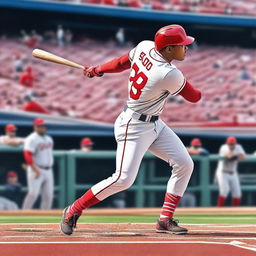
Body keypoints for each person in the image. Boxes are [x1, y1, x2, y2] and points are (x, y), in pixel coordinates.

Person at [61, 24, 201, 235]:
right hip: (133, 126)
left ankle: (165, 219)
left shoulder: (145, 46)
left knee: (184, 164)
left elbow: (120, 63)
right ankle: (74, 209)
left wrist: (98, 69)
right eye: (181, 45)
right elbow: (194, 97)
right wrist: (182, 80)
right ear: (169, 49)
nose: (186, 48)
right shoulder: (168, 73)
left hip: (154, 123)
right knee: (123, 179)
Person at [22, 118, 54, 209]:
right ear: (35, 127)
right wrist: (36, 170)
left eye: (43, 126)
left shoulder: (48, 139)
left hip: (48, 169)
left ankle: (46, 218)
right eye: (40, 126)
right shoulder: (31, 139)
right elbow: (27, 155)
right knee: (33, 194)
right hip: (36, 169)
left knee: (48, 196)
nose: (42, 128)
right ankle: (23, 214)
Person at [216, 136, 246, 207]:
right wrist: (237, 155)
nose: (231, 145)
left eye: (233, 144)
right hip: (223, 172)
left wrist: (235, 156)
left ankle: (234, 211)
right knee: (224, 191)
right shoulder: (224, 147)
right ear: (227, 144)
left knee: (237, 193)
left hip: (233, 172)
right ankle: (219, 210)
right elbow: (229, 156)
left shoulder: (238, 147)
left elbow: (243, 157)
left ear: (235, 143)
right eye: (230, 144)